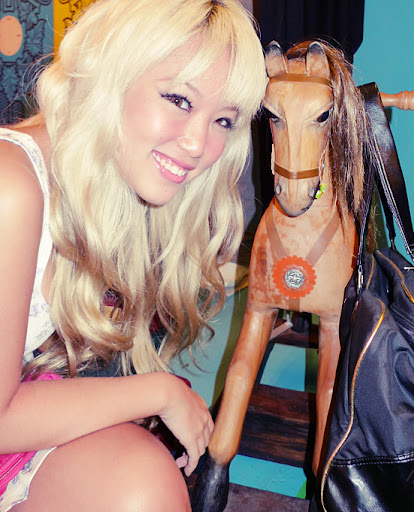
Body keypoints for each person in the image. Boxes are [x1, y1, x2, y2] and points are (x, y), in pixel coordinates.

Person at [0, 0, 267, 509]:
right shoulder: (10, 185)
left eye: (223, 120)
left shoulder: (112, 190)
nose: (198, 144)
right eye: (179, 99)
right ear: (113, 70)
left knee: (144, 480)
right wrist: (160, 391)